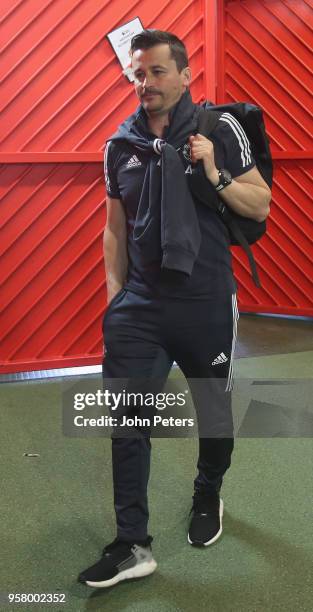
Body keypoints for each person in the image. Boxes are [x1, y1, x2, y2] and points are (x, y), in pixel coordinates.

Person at [78, 29, 271, 589]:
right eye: (138, 74)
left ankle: (208, 490)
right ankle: (131, 543)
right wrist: (116, 298)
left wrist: (215, 171)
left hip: (205, 299)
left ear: (185, 76)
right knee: (127, 421)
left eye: (158, 72)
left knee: (213, 409)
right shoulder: (121, 147)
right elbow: (114, 228)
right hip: (140, 306)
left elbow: (261, 203)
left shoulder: (219, 129)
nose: (147, 84)